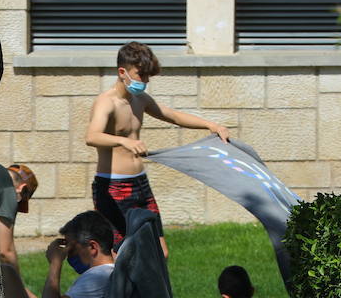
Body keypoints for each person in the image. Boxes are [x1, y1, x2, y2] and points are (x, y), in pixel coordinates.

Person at [85, 41, 232, 256]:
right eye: (140, 75)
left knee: (160, 252)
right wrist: (123, 141)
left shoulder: (139, 99)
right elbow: (91, 136)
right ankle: (122, 291)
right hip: (113, 187)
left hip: (140, 183)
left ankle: (154, 290)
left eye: (147, 77)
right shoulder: (106, 102)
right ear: (122, 72)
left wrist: (212, 125)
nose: (144, 81)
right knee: (119, 256)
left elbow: (172, 115)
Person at [0, 160, 39, 298]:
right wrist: (20, 290)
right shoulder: (8, 188)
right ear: (21, 189)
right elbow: (5, 251)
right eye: (19, 204)